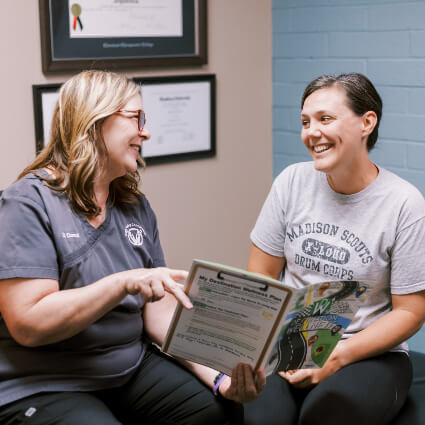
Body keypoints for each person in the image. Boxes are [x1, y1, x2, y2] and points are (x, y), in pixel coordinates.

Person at [0, 70, 265, 425]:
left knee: (216, 410)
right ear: (94, 122)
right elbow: (28, 324)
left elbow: (158, 313)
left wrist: (220, 377)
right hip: (44, 381)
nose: (146, 132)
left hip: (125, 367)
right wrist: (122, 282)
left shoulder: (133, 205)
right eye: (136, 118)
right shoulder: (27, 204)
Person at [244, 73, 425, 425]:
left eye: (325, 119)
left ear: (366, 123)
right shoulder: (291, 182)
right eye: (305, 122)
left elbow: (411, 311)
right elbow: (261, 273)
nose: (311, 132)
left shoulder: (405, 204)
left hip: (370, 351)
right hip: (293, 339)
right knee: (263, 419)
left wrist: (338, 355)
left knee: (326, 416)